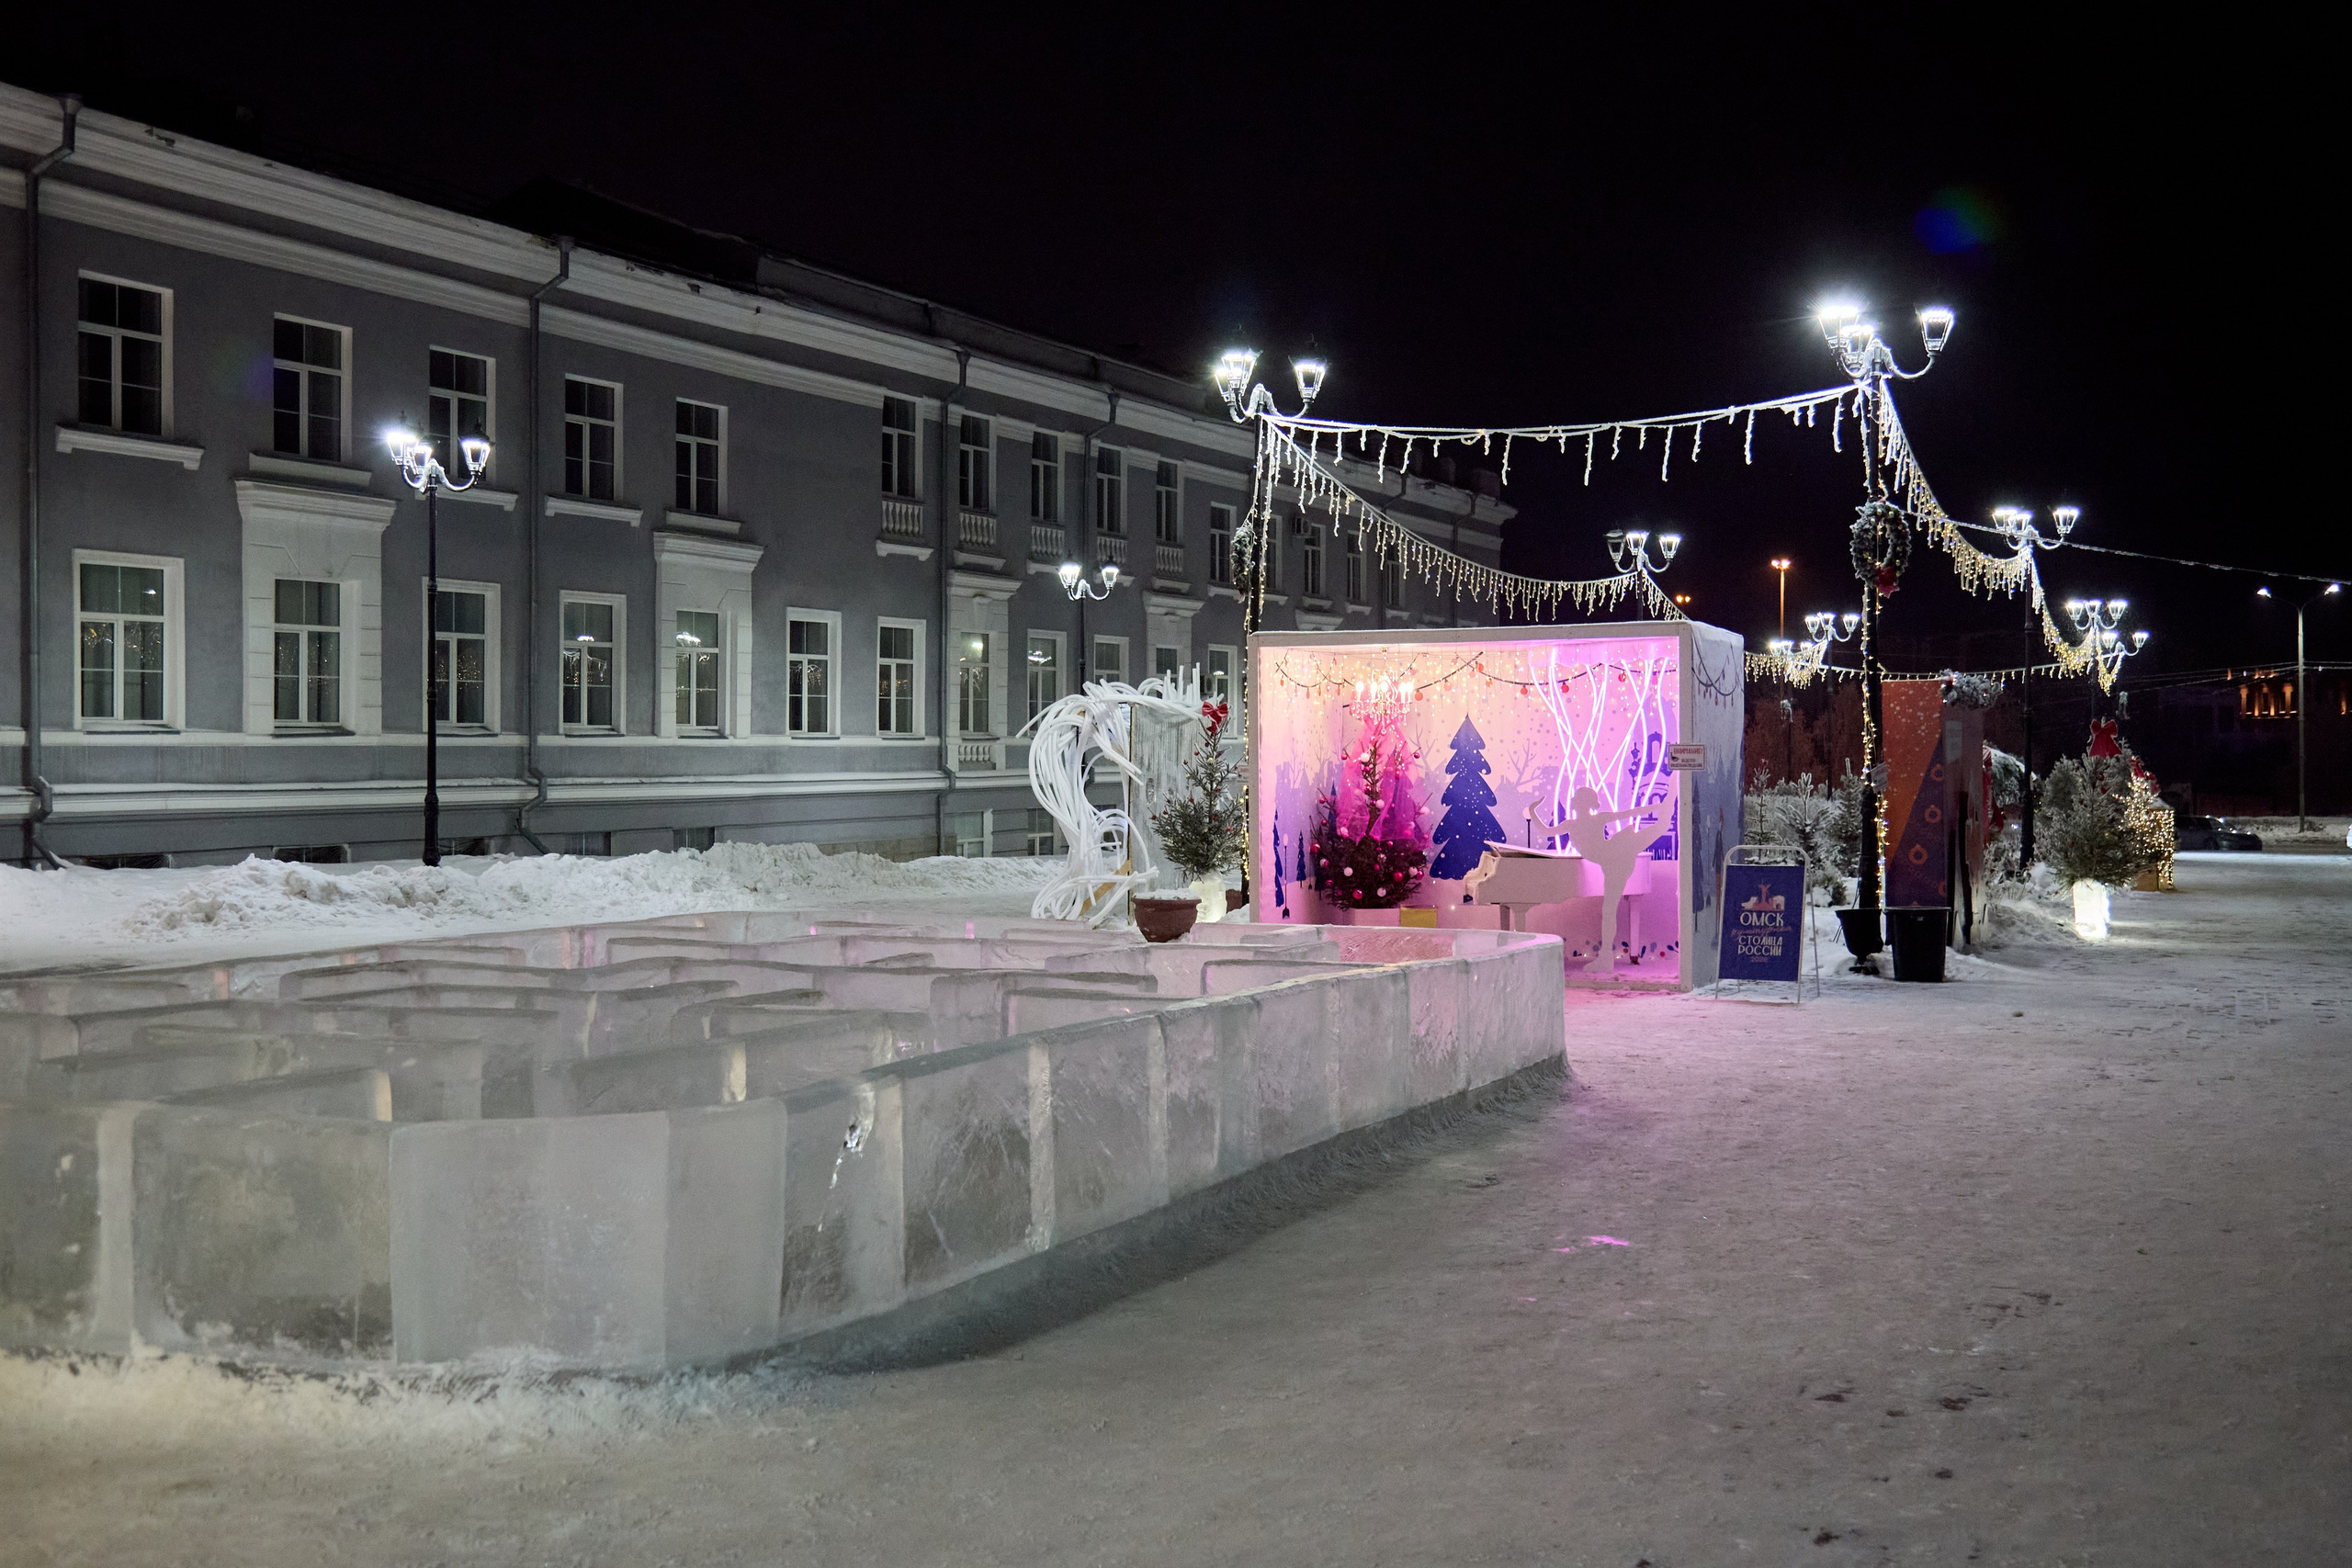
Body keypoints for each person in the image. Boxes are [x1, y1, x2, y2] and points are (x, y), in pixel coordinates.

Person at [1559, 786, 1672, 976]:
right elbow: (1545, 831)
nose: (1573, 800)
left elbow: (1630, 813)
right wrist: (1532, 812)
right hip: (1612, 858)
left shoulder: (1590, 820)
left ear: (1582, 803)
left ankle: (1604, 958)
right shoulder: (1574, 824)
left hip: (1614, 855)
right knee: (1608, 911)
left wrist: (1658, 806)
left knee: (1608, 911)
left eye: (1577, 798)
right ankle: (1604, 958)